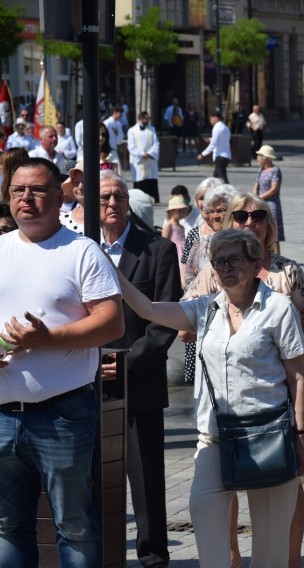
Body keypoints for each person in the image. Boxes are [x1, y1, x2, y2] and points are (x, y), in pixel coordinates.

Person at [115, 228, 304, 567]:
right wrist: (110, 270)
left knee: (271, 549)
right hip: (215, 438)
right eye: (218, 262)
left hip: (269, 436)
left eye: (234, 260)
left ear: (255, 262)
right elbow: (148, 309)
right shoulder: (206, 308)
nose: (225, 268)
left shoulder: (278, 309)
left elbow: (298, 378)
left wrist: (300, 436)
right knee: (204, 514)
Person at [0, 157, 125, 566]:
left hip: (62, 414)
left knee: (74, 526)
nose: (26, 199)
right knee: (7, 526)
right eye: (18, 191)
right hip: (2, 415)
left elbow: (112, 323)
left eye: (37, 190)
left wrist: (47, 339)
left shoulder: (81, 251)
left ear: (59, 197)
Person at [185, 193, 304, 568]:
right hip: (219, 428)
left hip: (270, 426)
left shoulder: (284, 282)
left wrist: (300, 432)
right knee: (205, 506)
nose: (248, 220)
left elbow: (301, 352)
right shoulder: (210, 296)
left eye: (256, 214)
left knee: (273, 531)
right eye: (239, 214)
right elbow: (175, 314)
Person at [98, 169, 182, 568]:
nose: (112, 204)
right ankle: (99, 552)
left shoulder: (158, 250)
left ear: (128, 201)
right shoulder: (81, 248)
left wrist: (126, 362)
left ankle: (152, 556)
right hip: (87, 382)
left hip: (139, 382)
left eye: (118, 196)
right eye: (103, 198)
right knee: (91, 475)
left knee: (146, 478)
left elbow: (165, 320)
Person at [180, 184, 238, 386]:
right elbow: (189, 283)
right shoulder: (201, 244)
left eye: (221, 210)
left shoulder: (246, 243)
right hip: (207, 328)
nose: (214, 216)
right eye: (210, 211)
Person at [252, 145, 285, 254]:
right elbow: (256, 184)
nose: (257, 158)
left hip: (271, 204)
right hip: (261, 204)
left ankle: (277, 255)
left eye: (259, 156)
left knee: (274, 231)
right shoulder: (261, 170)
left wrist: (260, 197)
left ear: (265, 158)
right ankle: (266, 253)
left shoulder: (275, 170)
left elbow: (274, 189)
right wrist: (253, 196)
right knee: (262, 229)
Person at [127, 111, 161, 203]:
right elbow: (131, 146)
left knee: (151, 177)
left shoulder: (152, 129)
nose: (147, 120)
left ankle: (153, 198)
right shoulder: (132, 130)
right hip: (138, 159)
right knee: (140, 178)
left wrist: (149, 153)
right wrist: (141, 154)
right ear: (140, 118)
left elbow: (156, 143)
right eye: (145, 118)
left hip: (150, 158)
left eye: (148, 118)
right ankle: (138, 199)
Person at [199, 112, 232, 183]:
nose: (210, 121)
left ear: (216, 118)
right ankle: (213, 192)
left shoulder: (216, 128)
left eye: (211, 119)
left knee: (222, 178)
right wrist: (211, 139)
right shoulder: (225, 127)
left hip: (220, 155)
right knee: (215, 179)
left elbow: (213, 144)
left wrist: (203, 154)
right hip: (226, 154)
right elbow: (222, 140)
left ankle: (229, 191)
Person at [161, 195, 190, 259]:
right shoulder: (169, 225)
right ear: (171, 211)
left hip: (183, 252)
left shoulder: (182, 227)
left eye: (183, 211)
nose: (182, 213)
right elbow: (163, 243)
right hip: (174, 253)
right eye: (179, 211)